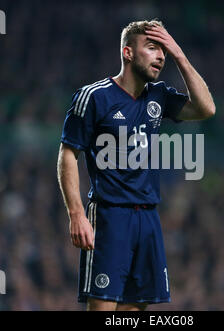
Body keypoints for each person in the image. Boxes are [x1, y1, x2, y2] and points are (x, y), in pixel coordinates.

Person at [57, 19, 215, 311]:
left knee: (135, 311)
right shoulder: (94, 97)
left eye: (163, 50)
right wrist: (76, 213)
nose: (160, 56)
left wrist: (179, 54)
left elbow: (206, 108)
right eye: (152, 47)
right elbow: (68, 153)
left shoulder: (158, 96)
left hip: (149, 219)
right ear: (128, 53)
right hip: (109, 216)